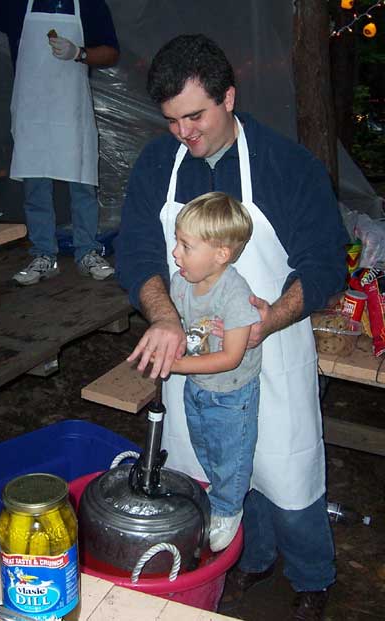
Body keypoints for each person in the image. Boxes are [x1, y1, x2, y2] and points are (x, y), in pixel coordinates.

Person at [116, 34, 349, 620]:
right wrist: (166, 318)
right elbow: (139, 254)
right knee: (213, 472)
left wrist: (270, 318)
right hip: (192, 355)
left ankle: (312, 578)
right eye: (172, 121)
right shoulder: (157, 165)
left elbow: (323, 263)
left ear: (229, 97)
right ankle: (251, 561)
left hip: (270, 348)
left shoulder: (285, 165)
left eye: (195, 116)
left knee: (287, 472)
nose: (184, 134)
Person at [0, 0, 118, 285]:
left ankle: (87, 252)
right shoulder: (17, 5)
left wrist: (79, 53)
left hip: (72, 109)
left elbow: (109, 52)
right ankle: (44, 255)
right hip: (32, 109)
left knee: (82, 183)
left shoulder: (90, 5)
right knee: (35, 185)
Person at [163, 191, 261, 551]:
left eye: (185, 246)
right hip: (199, 384)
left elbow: (230, 357)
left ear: (221, 254)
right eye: (177, 241)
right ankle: (218, 494)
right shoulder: (181, 282)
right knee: (204, 444)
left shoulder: (234, 293)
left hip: (232, 392)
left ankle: (229, 507)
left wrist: (175, 364)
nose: (175, 252)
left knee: (231, 453)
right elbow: (175, 324)